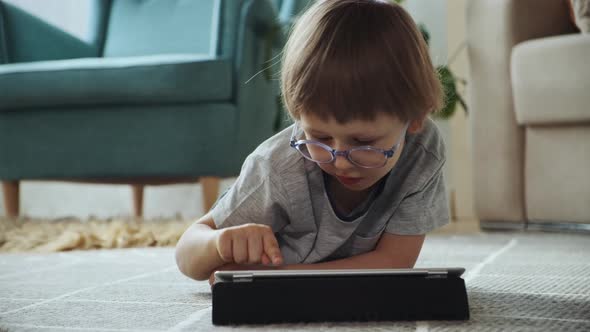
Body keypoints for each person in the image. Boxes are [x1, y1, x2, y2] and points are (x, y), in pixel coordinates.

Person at [175, 0, 448, 283]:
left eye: (362, 141)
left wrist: (276, 279)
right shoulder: (277, 167)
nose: (339, 159)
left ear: (415, 118)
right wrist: (219, 244)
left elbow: (394, 262)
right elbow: (187, 255)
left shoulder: (422, 151)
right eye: (319, 136)